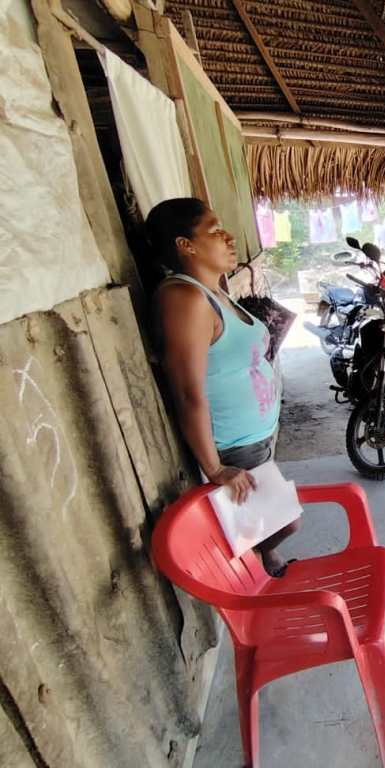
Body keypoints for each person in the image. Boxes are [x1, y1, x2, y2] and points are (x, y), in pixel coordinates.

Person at [145, 198, 299, 576]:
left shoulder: (216, 292)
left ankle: (267, 568)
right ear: (186, 245)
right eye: (213, 230)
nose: (228, 237)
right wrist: (214, 467)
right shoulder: (185, 298)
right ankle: (260, 569)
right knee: (283, 523)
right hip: (234, 447)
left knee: (271, 526)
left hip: (259, 437)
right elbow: (186, 391)